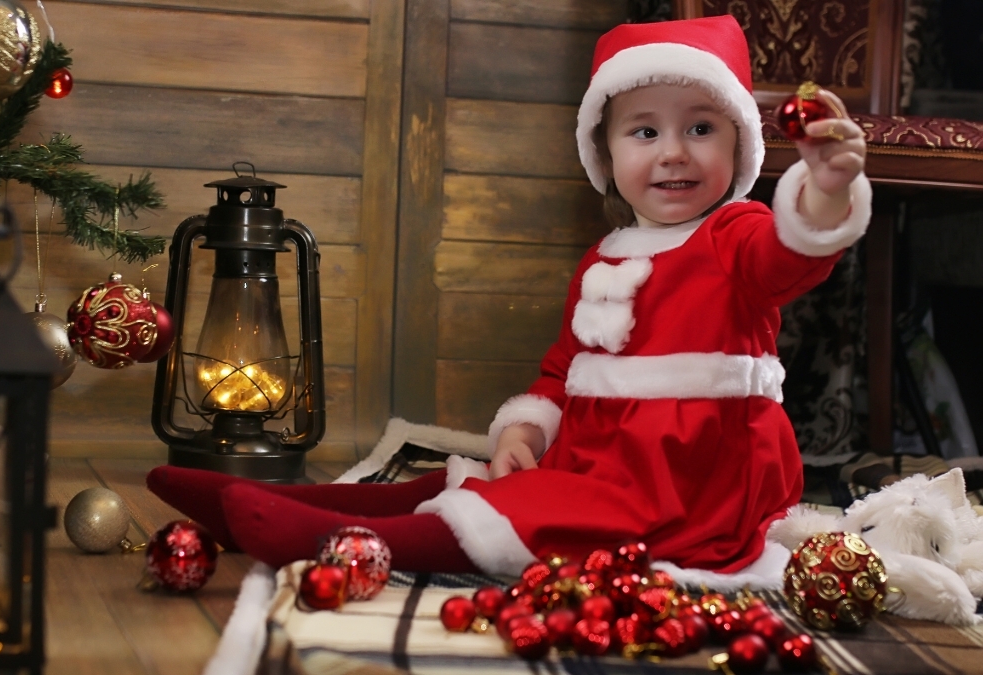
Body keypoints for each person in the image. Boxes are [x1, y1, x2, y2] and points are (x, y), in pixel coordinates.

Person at [147, 15, 870, 577]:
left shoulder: (736, 233)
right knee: (484, 480)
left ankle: (350, 538)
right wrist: (526, 429)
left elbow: (791, 257)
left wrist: (825, 195)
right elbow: (565, 367)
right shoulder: (606, 257)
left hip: (695, 475)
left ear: (739, 149)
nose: (674, 151)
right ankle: (309, 501)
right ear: (607, 153)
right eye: (645, 130)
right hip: (605, 456)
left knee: (529, 518)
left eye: (701, 129)